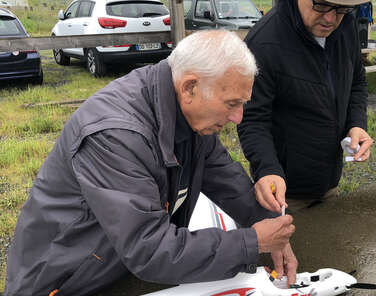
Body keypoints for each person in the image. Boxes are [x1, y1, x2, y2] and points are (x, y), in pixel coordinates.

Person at [4, 30, 297, 296]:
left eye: (243, 103)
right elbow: (149, 249)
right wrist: (252, 242)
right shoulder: (115, 136)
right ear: (190, 87)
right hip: (64, 281)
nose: (238, 118)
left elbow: (226, 179)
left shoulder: (190, 115)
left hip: (114, 265)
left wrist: (270, 223)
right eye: (232, 103)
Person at [237, 0, 374, 212]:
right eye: (320, 5)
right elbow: (252, 119)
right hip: (284, 191)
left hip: (329, 180)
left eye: (340, 8)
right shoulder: (265, 41)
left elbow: (357, 81)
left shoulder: (346, 25)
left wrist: (357, 124)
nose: (330, 18)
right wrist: (267, 169)